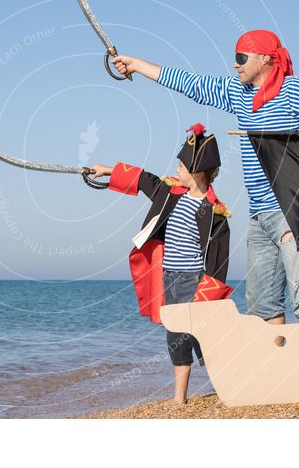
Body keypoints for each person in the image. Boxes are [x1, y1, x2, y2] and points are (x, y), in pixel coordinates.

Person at [111, 30, 299, 325]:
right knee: (263, 305)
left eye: (241, 57)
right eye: (235, 58)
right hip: (259, 216)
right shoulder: (239, 93)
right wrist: (137, 65)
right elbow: (192, 84)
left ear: (266, 58)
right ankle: (275, 368)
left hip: (294, 211)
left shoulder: (298, 91)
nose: (236, 64)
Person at [91, 123, 233, 404]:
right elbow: (145, 179)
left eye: (182, 167)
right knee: (176, 337)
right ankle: (179, 397)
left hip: (195, 281)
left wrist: (210, 293)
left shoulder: (215, 213)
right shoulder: (170, 193)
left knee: (203, 337)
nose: (176, 170)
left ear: (198, 173)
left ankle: (228, 388)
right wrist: (107, 170)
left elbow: (219, 261)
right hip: (169, 278)